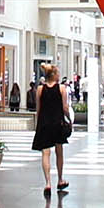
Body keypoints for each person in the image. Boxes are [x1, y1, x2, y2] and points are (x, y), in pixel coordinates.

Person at [31, 63, 71, 198]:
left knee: (45, 153)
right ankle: (60, 179)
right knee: (59, 152)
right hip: (57, 123)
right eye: (58, 73)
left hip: (44, 123)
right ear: (54, 75)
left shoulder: (40, 89)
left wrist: (37, 124)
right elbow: (65, 108)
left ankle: (47, 182)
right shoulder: (61, 89)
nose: (59, 75)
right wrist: (69, 119)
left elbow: (38, 109)